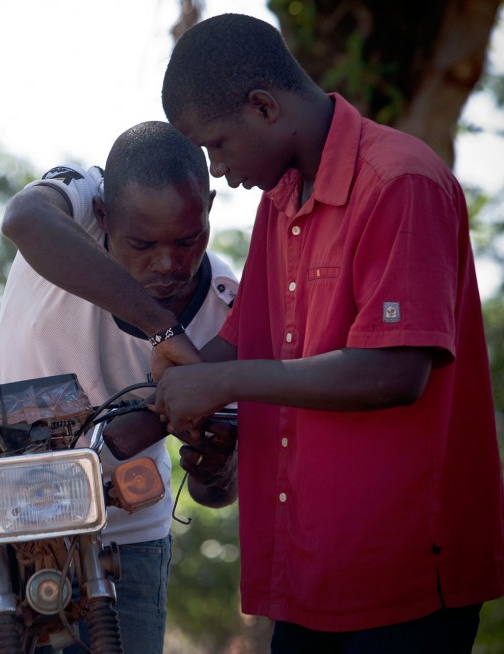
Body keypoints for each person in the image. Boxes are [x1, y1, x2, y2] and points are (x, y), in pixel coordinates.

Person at [152, 13, 504, 653]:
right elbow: (248, 343)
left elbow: (393, 373)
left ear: (263, 107)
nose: (219, 172)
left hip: (402, 580)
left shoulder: (401, 181)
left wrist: (218, 381)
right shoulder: (279, 200)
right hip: (308, 568)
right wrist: (162, 390)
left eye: (218, 145)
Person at [0, 120, 239, 652]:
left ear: (210, 208)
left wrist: (217, 466)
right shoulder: (76, 200)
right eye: (143, 243)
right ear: (103, 215)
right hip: (6, 527)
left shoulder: (226, 306)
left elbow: (216, 493)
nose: (169, 263)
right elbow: (22, 218)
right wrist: (161, 328)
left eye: (188, 240)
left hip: (127, 549)